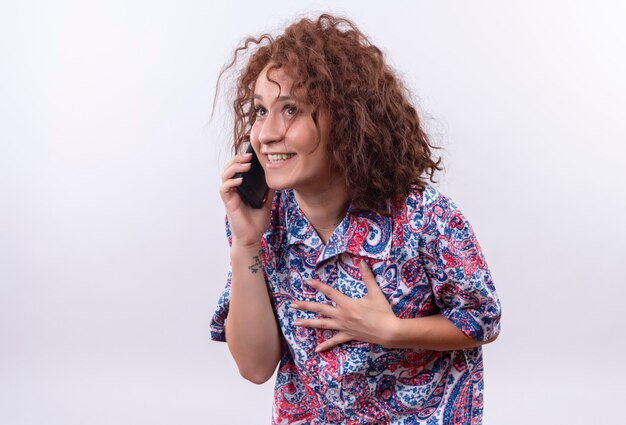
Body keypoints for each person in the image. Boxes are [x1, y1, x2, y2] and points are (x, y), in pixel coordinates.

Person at [210, 13, 502, 425]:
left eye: (290, 109)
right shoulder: (263, 216)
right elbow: (256, 368)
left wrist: (392, 330)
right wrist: (245, 245)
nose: (266, 133)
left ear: (346, 122)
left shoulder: (424, 216)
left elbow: (483, 317)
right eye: (260, 111)